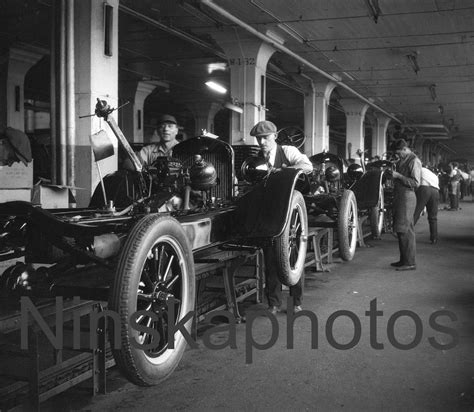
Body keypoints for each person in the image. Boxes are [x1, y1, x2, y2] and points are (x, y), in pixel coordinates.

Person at [249, 120, 313, 314]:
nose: (262, 142)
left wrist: (283, 171)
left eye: (266, 138)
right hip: (268, 211)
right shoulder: (257, 157)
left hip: (291, 212)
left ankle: (296, 303)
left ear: (274, 136)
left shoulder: (288, 151)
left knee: (293, 258)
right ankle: (274, 304)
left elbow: (307, 166)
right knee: (271, 259)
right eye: (259, 139)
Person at [389, 139, 422, 271]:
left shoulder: (414, 161)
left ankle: (409, 263)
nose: (398, 156)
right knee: (402, 229)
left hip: (407, 197)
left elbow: (416, 183)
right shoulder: (403, 160)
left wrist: (398, 176)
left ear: (405, 149)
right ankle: (404, 260)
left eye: (399, 153)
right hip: (400, 196)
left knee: (406, 230)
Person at [413, 166, 439, 244]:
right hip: (435, 191)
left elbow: (415, 182)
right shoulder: (433, 175)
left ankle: (407, 234)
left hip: (424, 189)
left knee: (415, 213)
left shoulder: (418, 169)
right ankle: (434, 238)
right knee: (433, 217)